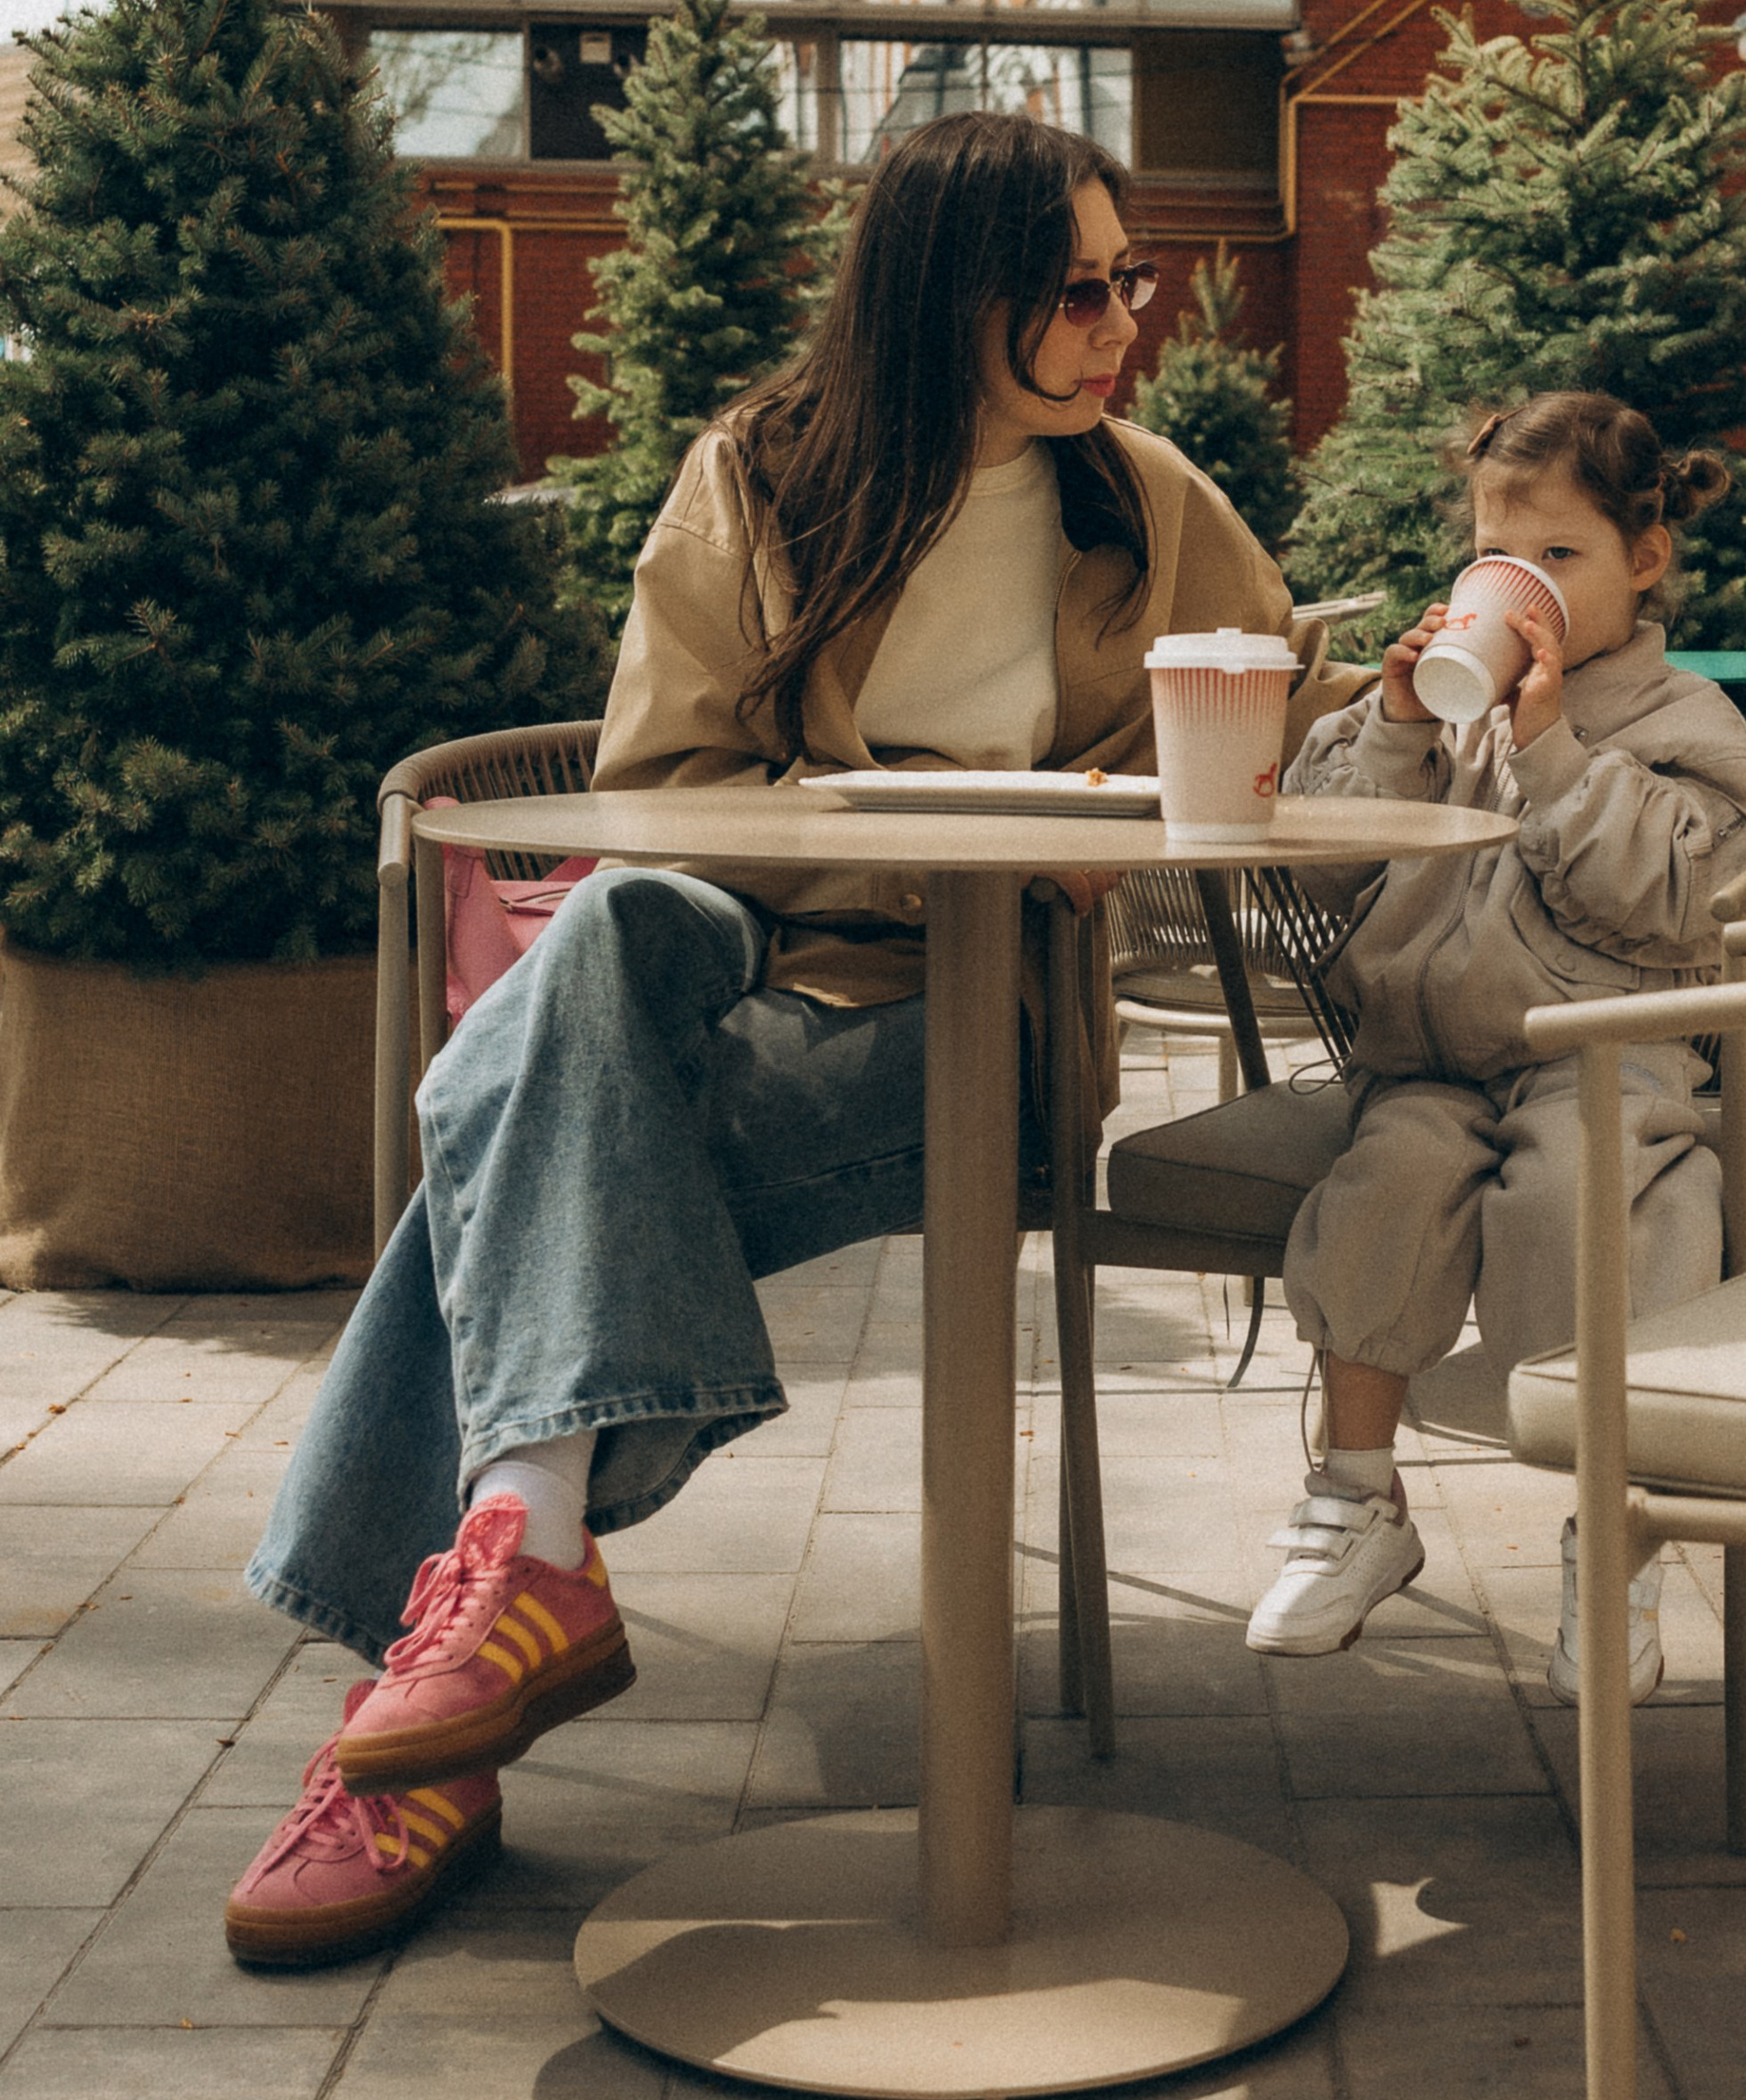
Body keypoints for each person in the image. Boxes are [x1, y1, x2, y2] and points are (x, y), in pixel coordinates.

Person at [222, 112, 1365, 1967]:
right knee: (597, 946)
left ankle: (442, 1688)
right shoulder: (757, 481)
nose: (1118, 321)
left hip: (974, 1018)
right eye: (1077, 288)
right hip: (737, 951)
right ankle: (507, 1595)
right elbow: (657, 788)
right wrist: (873, 821)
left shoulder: (1144, 504)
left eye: (1126, 277)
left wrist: (1150, 781)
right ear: (948, 294)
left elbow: (1265, 708)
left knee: (509, 1110)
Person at [1244, 391, 1746, 1705]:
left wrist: (1548, 750)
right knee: (1383, 1190)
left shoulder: (1681, 721)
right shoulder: (1449, 711)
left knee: (1584, 1199)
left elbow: (1680, 900)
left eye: (1558, 559)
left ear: (1645, 562)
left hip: (1604, 1053)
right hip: (1432, 1057)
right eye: (1496, 555)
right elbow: (1318, 865)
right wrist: (1400, 728)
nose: (1519, 588)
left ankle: (1613, 1539)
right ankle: (1357, 1498)